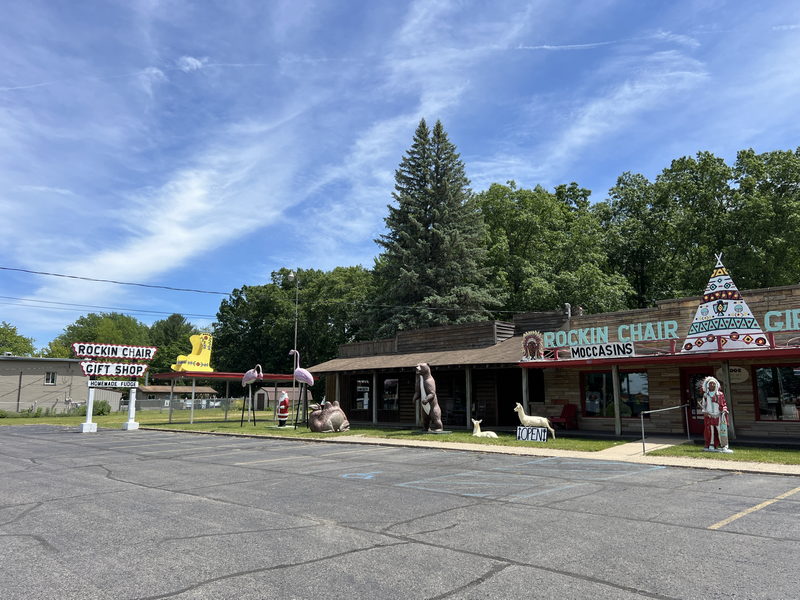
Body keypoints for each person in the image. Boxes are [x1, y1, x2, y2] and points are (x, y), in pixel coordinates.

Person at [699, 376, 732, 453]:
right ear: (707, 385)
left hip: (718, 416)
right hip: (710, 416)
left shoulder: (720, 394)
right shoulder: (705, 395)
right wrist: (705, 411)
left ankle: (724, 446)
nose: (712, 385)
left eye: (713, 384)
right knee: (710, 431)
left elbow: (724, 404)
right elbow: (704, 405)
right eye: (710, 384)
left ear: (716, 385)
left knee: (721, 431)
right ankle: (711, 445)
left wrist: (724, 410)